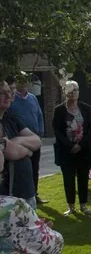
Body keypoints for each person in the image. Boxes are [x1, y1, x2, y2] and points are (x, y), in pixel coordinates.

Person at [52, 80, 91, 215]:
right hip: (67, 151)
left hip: (83, 150)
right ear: (65, 92)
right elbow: (57, 130)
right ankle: (71, 206)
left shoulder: (86, 108)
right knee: (68, 179)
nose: (73, 93)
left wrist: (80, 145)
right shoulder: (59, 110)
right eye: (70, 90)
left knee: (83, 177)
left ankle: (83, 205)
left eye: (75, 90)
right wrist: (70, 145)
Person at [0, 78, 41, 209]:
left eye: (9, 92)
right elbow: (10, 153)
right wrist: (27, 151)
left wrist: (16, 141)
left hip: (25, 191)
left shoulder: (11, 119)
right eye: (2, 93)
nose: (8, 96)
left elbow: (36, 141)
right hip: (7, 196)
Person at [9, 73, 46, 204]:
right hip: (20, 141)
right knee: (24, 169)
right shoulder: (12, 100)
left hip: (34, 138)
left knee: (35, 168)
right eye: (21, 81)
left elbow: (39, 115)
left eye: (26, 81)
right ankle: (22, 196)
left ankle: (34, 193)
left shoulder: (32, 98)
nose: (24, 84)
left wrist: (40, 132)